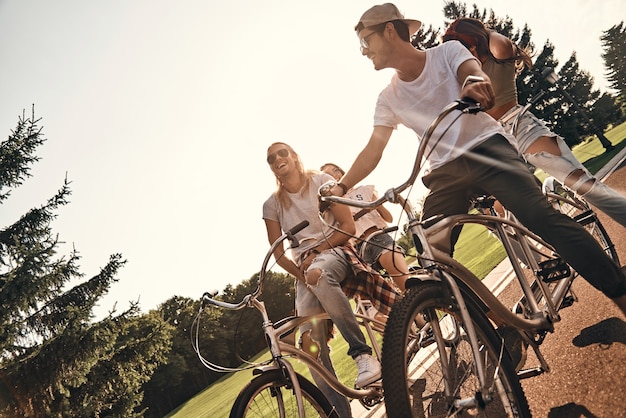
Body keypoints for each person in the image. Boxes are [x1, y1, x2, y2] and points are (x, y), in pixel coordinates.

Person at [331, 3, 626, 316]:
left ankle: (620, 296)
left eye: (366, 41)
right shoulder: (387, 98)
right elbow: (373, 149)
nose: (363, 51)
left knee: (540, 218)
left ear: (389, 31)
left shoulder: (447, 52)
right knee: (431, 254)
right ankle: (496, 332)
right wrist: (342, 186)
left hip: (487, 149)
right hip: (445, 173)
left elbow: (471, 71)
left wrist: (475, 83)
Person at [442, 17, 626, 228]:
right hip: (492, 141)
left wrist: (480, 32)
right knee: (501, 219)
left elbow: (499, 43)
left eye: (467, 46)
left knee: (582, 184)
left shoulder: (498, 55)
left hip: (521, 127)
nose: (466, 52)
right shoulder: (465, 72)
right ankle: (547, 259)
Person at [262, 142, 400, 414]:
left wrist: (318, 253)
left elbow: (348, 228)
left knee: (319, 274)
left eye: (282, 153)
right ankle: (338, 413)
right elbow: (278, 254)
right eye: (271, 158)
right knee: (309, 348)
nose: (277, 159)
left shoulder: (322, 183)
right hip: (306, 268)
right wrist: (302, 271)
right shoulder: (272, 204)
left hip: (336, 248)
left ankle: (362, 354)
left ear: (295, 156)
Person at [321, 162, 409, 292]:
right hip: (357, 250)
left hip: (378, 238)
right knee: (379, 300)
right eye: (326, 176)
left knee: (406, 285)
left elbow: (389, 218)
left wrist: (375, 205)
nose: (333, 176)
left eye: (335, 171)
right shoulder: (331, 205)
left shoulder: (364, 190)